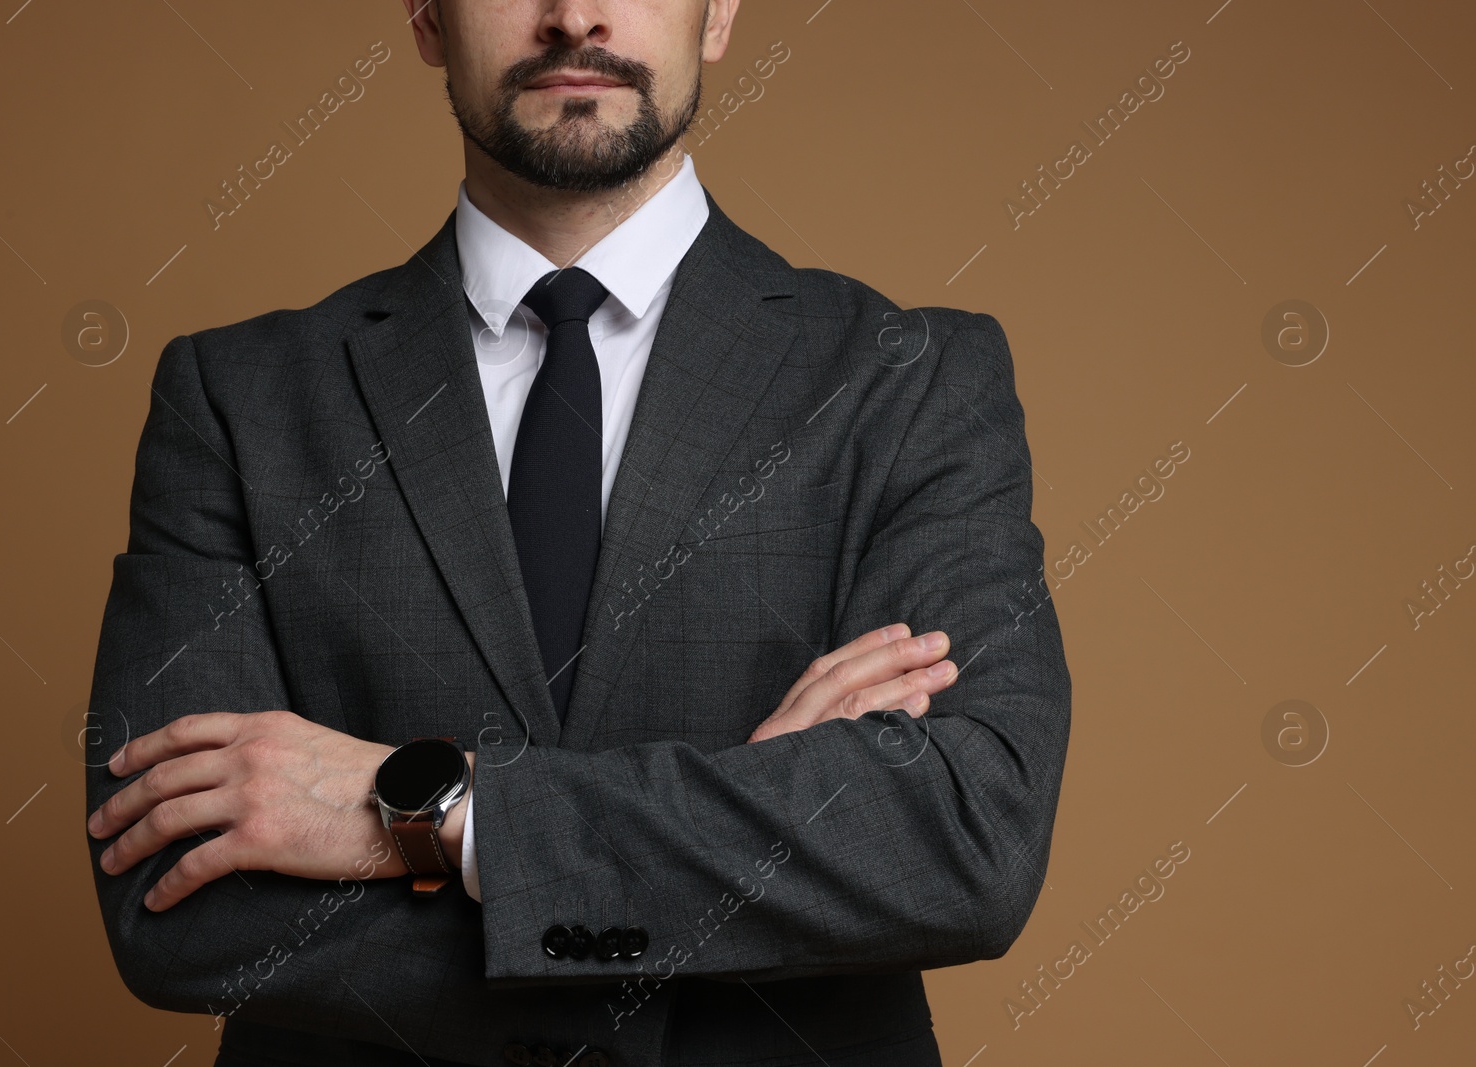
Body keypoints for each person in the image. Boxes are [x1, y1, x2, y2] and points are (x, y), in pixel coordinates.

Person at [83, 2, 1072, 1065]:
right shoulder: (238, 399)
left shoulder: (910, 378)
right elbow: (175, 906)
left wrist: (423, 810)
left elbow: (964, 838)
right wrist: (750, 830)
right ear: (425, 15)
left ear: (720, 11)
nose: (574, 16)